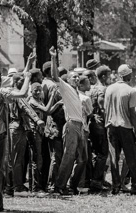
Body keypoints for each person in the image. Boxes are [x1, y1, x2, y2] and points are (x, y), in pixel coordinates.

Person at [0, 53, 35, 212]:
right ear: (0, 79)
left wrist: (28, 62)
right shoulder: (1, 92)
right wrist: (28, 78)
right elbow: (22, 94)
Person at [50, 46, 87, 195]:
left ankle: (71, 185)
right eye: (73, 77)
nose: (77, 78)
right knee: (69, 156)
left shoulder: (78, 93)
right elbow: (55, 76)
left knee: (82, 158)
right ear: (68, 79)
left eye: (78, 77)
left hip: (80, 126)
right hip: (71, 125)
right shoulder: (65, 88)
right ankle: (60, 186)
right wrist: (53, 58)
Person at [104, 64, 136, 195]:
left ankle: (115, 186)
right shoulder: (130, 90)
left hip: (111, 126)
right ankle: (135, 185)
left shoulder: (109, 89)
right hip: (125, 126)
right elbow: (132, 112)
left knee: (114, 157)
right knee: (131, 157)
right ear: (127, 75)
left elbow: (105, 108)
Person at [7, 75, 45, 194]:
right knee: (17, 159)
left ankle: (12, 184)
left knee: (15, 158)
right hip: (18, 128)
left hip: (15, 127)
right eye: (22, 81)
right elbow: (26, 108)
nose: (25, 83)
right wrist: (37, 120)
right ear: (15, 82)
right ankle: (17, 185)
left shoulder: (11, 94)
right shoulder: (18, 95)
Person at [28, 82, 60, 192]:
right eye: (35, 90)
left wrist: (57, 104)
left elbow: (48, 112)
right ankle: (36, 188)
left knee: (40, 159)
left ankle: (38, 186)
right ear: (31, 91)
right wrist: (52, 96)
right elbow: (46, 110)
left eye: (39, 90)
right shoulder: (32, 101)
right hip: (34, 132)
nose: (37, 92)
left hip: (40, 132)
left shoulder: (39, 100)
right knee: (37, 160)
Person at [41, 61, 66, 191]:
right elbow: (57, 105)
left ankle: (48, 182)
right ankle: (53, 184)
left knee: (50, 156)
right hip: (56, 123)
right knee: (56, 156)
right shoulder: (53, 86)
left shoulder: (42, 83)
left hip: (47, 124)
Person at [88, 65, 111, 192]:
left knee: (95, 152)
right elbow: (103, 108)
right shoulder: (102, 89)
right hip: (100, 123)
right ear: (103, 76)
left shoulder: (92, 88)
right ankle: (96, 181)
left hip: (93, 122)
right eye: (109, 76)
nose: (110, 78)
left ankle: (97, 178)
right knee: (102, 152)